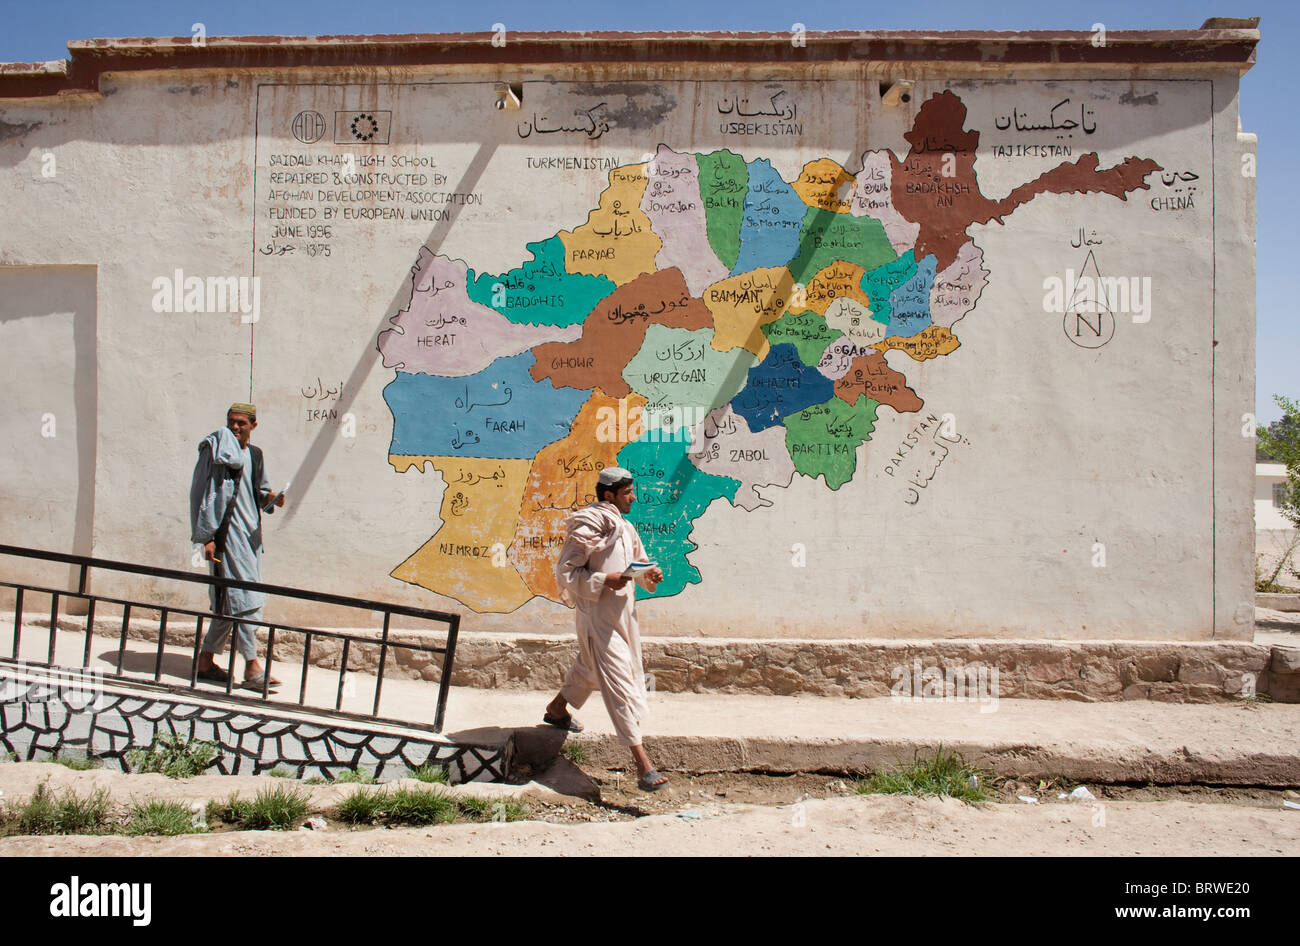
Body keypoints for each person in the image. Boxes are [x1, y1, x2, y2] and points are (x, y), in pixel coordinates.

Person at [544, 466, 669, 791]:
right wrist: (604, 580)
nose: (634, 498)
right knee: (620, 685)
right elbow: (566, 573)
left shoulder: (625, 527)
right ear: (610, 494)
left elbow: (637, 567)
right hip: (598, 620)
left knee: (589, 668)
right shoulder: (589, 523)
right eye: (629, 493)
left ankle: (557, 710)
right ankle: (643, 766)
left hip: (623, 618)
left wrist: (649, 576)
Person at [189, 402, 285, 690]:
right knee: (245, 599)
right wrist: (204, 536)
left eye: (242, 423)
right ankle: (252, 667)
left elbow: (259, 494)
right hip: (226, 537)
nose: (235, 427)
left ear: (254, 425)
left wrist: (273, 499)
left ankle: (205, 661)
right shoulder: (217, 451)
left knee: (228, 601)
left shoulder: (255, 454)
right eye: (232, 421)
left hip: (250, 539)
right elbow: (203, 493)